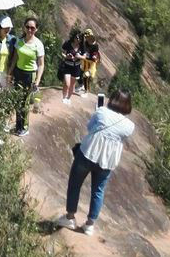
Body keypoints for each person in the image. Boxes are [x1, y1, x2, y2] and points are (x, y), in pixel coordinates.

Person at [56, 89, 134, 235]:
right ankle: (90, 225)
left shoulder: (102, 112)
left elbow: (90, 127)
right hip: (107, 161)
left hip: (87, 153)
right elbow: (122, 137)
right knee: (98, 191)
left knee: (75, 185)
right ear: (128, 104)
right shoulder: (129, 126)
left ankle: (70, 217)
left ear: (113, 99)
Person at [7, 16, 45, 136]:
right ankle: (18, 126)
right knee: (18, 99)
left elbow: (41, 64)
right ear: (24, 28)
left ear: (36, 29)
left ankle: (24, 127)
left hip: (30, 75)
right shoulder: (20, 41)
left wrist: (37, 81)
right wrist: (10, 72)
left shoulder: (38, 44)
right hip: (18, 72)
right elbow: (15, 58)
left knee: (25, 101)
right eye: (27, 27)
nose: (29, 30)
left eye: (32, 28)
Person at [58, 26, 84, 104]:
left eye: (80, 38)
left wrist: (79, 56)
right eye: (77, 37)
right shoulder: (68, 43)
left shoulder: (82, 46)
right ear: (74, 37)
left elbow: (85, 56)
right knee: (67, 83)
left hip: (76, 67)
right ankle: (64, 97)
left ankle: (68, 98)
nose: (78, 39)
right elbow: (62, 52)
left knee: (72, 84)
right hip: (67, 66)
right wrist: (66, 56)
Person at [78, 28, 101, 93]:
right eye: (86, 37)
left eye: (87, 37)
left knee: (86, 75)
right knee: (79, 73)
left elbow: (95, 53)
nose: (86, 38)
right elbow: (83, 50)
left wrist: (94, 56)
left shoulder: (95, 45)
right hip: (85, 61)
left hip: (91, 63)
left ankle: (86, 91)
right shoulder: (85, 43)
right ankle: (81, 85)